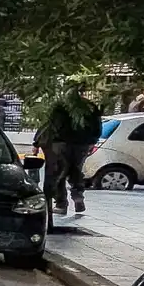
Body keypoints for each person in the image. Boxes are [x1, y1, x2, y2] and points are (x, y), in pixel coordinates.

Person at [35, 87, 102, 218]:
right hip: (82, 145)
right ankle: (78, 196)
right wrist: (92, 141)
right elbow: (98, 127)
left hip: (61, 143)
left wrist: (37, 142)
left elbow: (51, 126)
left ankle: (61, 204)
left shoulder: (60, 107)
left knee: (59, 173)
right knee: (76, 170)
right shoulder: (90, 107)